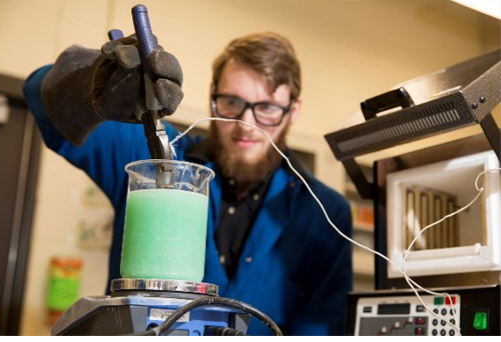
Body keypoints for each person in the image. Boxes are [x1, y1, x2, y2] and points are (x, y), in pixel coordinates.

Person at [24, 32, 351, 335]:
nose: (245, 125)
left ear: (293, 110)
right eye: (232, 102)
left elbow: (323, 330)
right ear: (212, 95)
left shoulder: (323, 213)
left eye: (266, 108)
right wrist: (92, 81)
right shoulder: (155, 158)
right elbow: (39, 98)